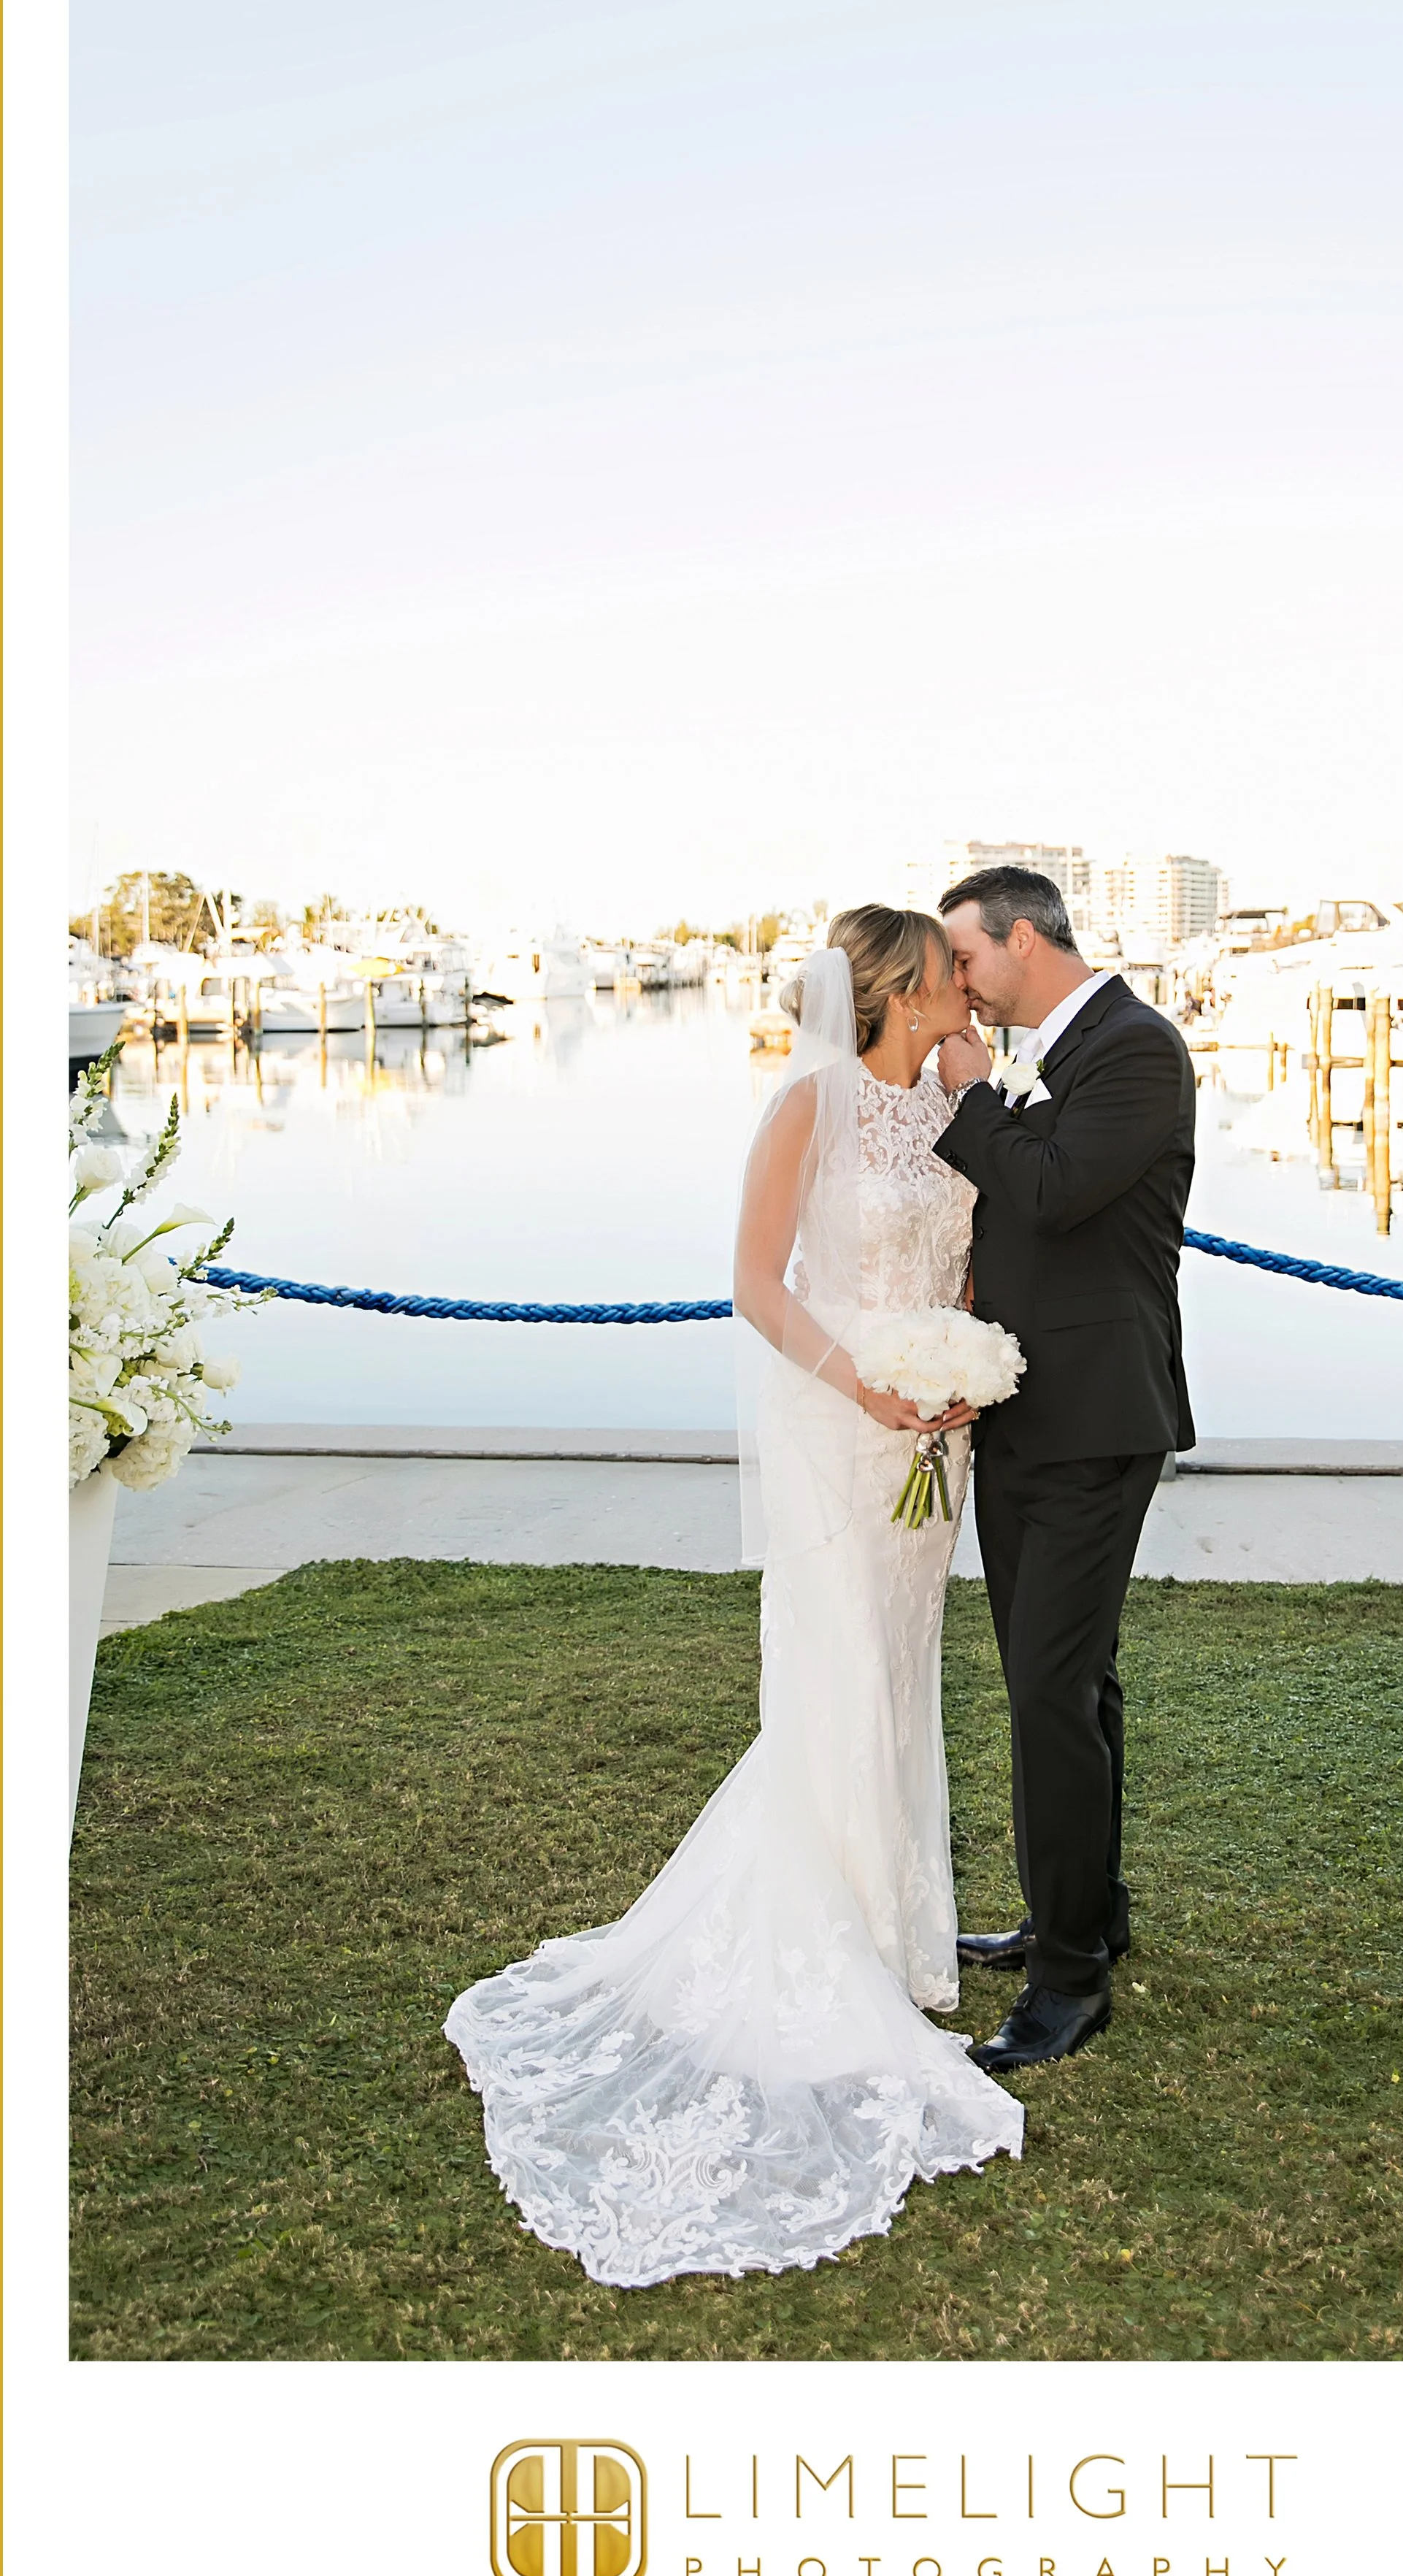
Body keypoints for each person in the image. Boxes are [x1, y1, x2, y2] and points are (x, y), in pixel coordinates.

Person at [445, 909, 1022, 2290]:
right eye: (951, 971)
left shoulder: (958, 1099)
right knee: (831, 1675)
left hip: (934, 1432)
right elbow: (760, 1288)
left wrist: (959, 1376)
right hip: (839, 1420)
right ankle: (822, 1956)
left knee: (896, 1675)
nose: (969, 980)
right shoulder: (805, 1106)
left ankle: (886, 1942)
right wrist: (868, 1384)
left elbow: (975, 1261)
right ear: (895, 986)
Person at [931, 865, 1196, 2073]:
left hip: (1099, 1417)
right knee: (1069, 1687)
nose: (959, 982)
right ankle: (1081, 1911)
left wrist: (974, 1095)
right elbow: (1017, 1223)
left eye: (967, 958)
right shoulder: (1048, 1049)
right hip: (1023, 1413)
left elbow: (1047, 1187)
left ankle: (1070, 1981)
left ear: (1022, 938)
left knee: (1049, 1690)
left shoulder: (1138, 1050)